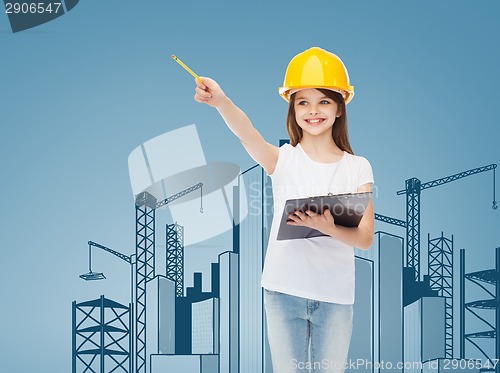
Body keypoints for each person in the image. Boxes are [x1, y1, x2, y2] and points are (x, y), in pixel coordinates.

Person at [193, 47, 374, 373]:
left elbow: (364, 239)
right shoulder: (283, 159)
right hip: (283, 292)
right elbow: (246, 133)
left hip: (336, 298)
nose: (312, 111)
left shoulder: (358, 168)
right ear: (292, 108)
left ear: (339, 108)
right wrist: (221, 101)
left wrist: (328, 227)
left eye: (323, 101)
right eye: (302, 102)